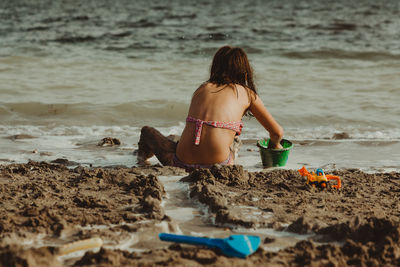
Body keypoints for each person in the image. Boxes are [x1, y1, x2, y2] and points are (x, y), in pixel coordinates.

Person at [137, 46, 283, 172]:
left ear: (215, 67)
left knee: (147, 131)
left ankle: (141, 160)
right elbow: (277, 132)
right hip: (219, 166)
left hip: (180, 163)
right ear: (245, 72)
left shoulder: (202, 88)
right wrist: (274, 144)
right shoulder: (247, 93)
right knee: (235, 138)